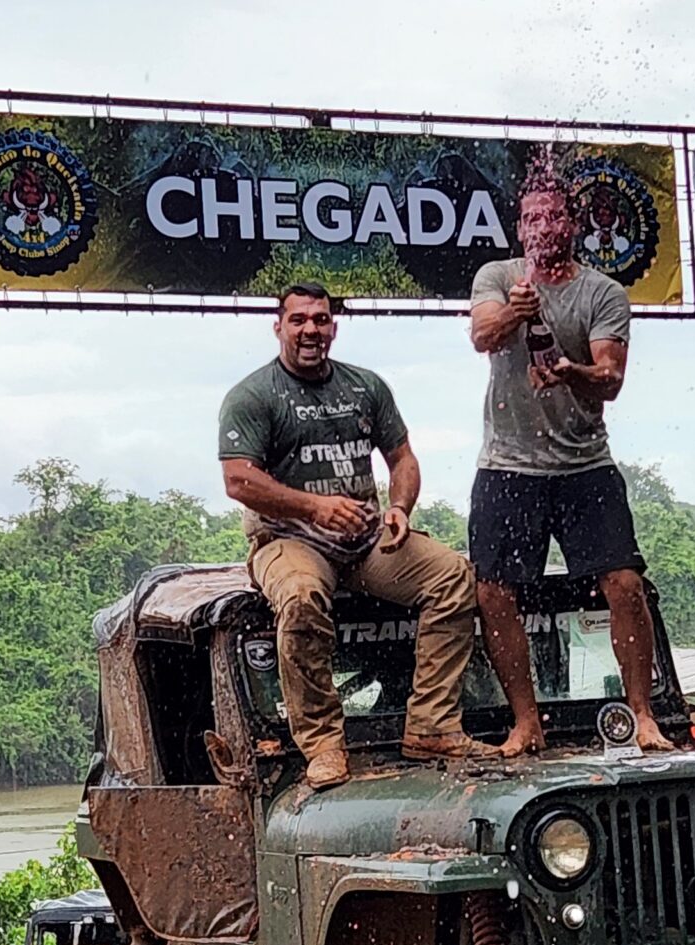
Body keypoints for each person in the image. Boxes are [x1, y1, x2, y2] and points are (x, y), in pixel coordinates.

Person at [222, 282, 495, 789]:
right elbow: (239, 479)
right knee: (301, 598)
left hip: (366, 540)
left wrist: (399, 508)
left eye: (320, 320)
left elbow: (402, 458)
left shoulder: (364, 387)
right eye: (299, 320)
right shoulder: (253, 395)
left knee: (454, 576)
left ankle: (432, 726)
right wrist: (315, 507)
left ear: (334, 327)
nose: (310, 330)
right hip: (288, 540)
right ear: (278, 327)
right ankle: (323, 745)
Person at [466, 178, 665, 755]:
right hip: (508, 465)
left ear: (572, 226)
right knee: (493, 591)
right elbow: (481, 335)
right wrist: (515, 312)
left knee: (625, 584)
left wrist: (570, 372)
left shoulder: (603, 292)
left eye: (554, 217)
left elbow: (611, 379)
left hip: (584, 463)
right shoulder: (498, 277)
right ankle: (526, 721)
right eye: (534, 218)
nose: (544, 227)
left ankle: (643, 715)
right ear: (520, 228)